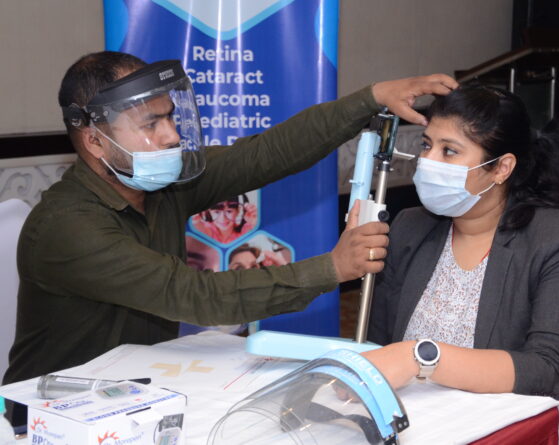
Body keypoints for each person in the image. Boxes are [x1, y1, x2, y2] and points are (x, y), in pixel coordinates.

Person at [3, 51, 457, 387]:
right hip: (51, 408)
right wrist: (332, 268)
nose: (171, 137)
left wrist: (370, 99)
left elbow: (266, 153)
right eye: (149, 125)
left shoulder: (160, 185)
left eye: (169, 119)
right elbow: (194, 296)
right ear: (95, 141)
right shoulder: (67, 226)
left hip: (132, 387)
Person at [364, 83, 559, 444]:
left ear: (501, 168)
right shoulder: (410, 227)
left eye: (449, 151)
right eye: (426, 145)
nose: (428, 162)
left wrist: (419, 358)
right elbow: (378, 347)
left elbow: (555, 370)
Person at [191, 194, 258, 244]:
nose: (222, 218)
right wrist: (195, 219)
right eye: (217, 212)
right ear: (209, 212)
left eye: (229, 211)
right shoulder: (208, 229)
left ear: (238, 210)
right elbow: (199, 227)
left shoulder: (244, 230)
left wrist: (253, 221)